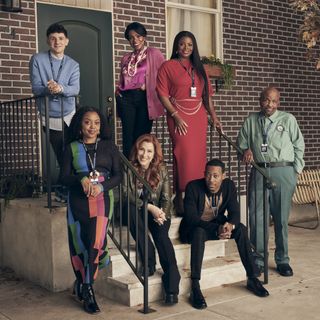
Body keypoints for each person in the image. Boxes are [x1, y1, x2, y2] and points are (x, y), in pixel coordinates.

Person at [179, 159, 269, 310]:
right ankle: (195, 286)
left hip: (217, 226)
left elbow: (234, 211)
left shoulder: (229, 186)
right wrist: (217, 229)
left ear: (223, 176)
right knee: (199, 232)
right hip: (194, 230)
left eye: (215, 176)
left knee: (241, 228)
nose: (211, 180)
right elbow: (192, 219)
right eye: (208, 175)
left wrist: (230, 225)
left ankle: (252, 278)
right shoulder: (193, 187)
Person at [237, 86, 305, 277]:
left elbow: (299, 145)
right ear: (260, 101)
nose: (270, 104)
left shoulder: (288, 119)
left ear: (279, 102)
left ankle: (283, 260)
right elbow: (240, 145)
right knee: (257, 218)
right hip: (259, 170)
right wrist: (246, 150)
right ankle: (258, 260)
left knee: (281, 219)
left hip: (284, 171)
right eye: (267, 100)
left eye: (274, 101)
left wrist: (296, 171)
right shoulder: (251, 120)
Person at [60, 106, 122, 314]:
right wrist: (81, 178)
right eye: (87, 122)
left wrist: (101, 186)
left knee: (96, 243)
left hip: (103, 199)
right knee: (80, 244)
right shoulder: (71, 148)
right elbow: (63, 178)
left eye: (96, 122)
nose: (92, 127)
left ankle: (87, 289)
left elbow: (118, 176)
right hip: (78, 200)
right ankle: (82, 282)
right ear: (80, 125)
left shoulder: (109, 147)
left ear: (101, 126)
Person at [156, 31, 222, 215]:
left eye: (190, 45)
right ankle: (182, 201)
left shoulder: (199, 68)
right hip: (179, 117)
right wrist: (175, 115)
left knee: (199, 159)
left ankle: (196, 200)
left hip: (198, 117)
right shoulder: (167, 66)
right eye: (182, 44)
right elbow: (162, 94)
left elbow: (206, 96)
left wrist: (214, 117)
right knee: (183, 156)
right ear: (176, 46)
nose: (186, 48)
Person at [122, 134, 181, 305]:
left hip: (159, 211)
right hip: (140, 210)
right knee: (130, 210)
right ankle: (148, 260)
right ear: (136, 150)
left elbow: (167, 198)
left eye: (149, 151)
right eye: (142, 149)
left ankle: (171, 288)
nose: (144, 154)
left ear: (154, 154)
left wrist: (162, 214)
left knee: (162, 237)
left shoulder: (161, 169)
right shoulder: (128, 167)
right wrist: (149, 207)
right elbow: (126, 194)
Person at [29, 22, 80, 169]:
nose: (57, 42)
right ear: (47, 40)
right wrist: (49, 89)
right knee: (60, 152)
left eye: (61, 38)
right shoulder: (37, 59)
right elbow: (36, 88)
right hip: (50, 115)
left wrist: (60, 88)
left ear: (66, 41)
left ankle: (74, 184)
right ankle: (65, 186)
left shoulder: (73, 64)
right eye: (53, 38)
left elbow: (75, 89)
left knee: (74, 151)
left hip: (70, 113)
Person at [116, 22, 165, 158]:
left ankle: (141, 169)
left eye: (138, 36)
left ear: (144, 37)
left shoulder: (154, 53)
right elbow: (123, 78)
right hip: (126, 98)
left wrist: (153, 87)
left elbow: (165, 74)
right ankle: (129, 171)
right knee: (128, 136)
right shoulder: (126, 58)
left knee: (142, 136)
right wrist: (118, 92)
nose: (135, 40)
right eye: (131, 37)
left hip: (144, 98)